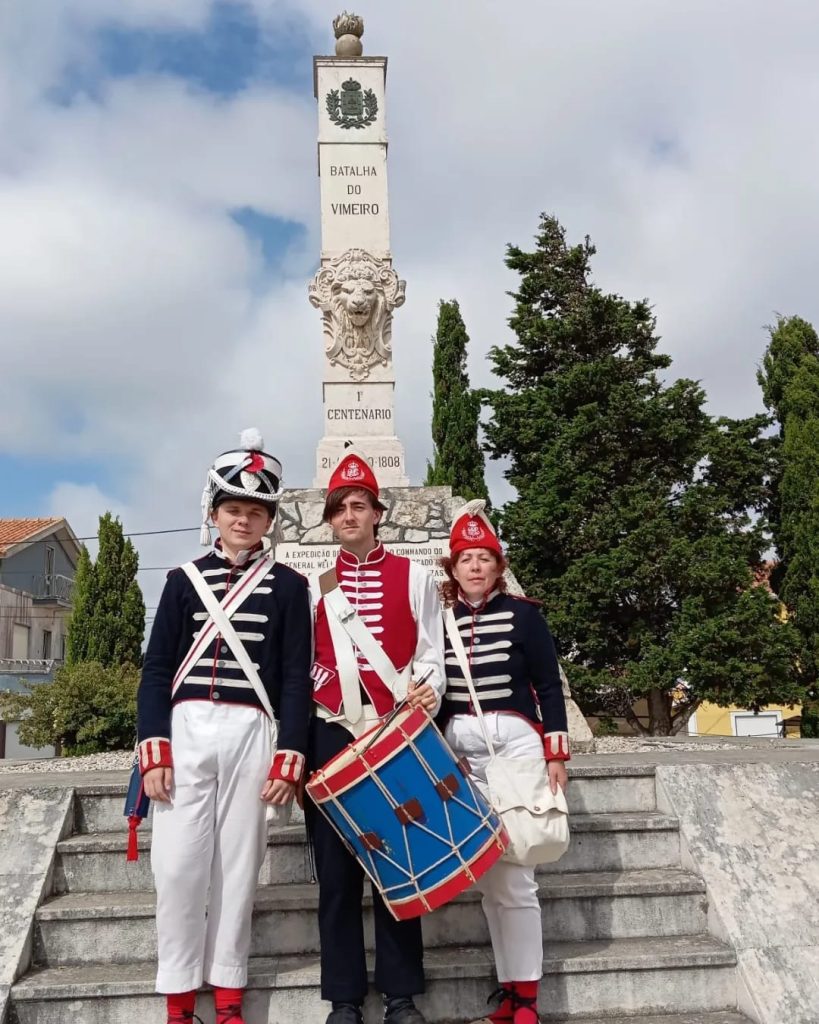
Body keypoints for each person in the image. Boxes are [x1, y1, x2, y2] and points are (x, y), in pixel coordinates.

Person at [137, 429, 312, 1024]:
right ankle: (180, 997)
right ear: (214, 513)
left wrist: (291, 753)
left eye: (255, 511)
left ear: (268, 520)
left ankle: (229, 993)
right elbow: (158, 666)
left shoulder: (289, 586)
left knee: (239, 867)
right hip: (186, 729)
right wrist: (154, 748)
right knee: (180, 868)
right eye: (233, 509)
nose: (243, 520)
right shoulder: (183, 579)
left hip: (251, 730)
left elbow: (294, 678)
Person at [306, 448, 446, 1024]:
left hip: (394, 736)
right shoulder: (313, 586)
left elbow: (432, 653)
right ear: (331, 519)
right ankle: (343, 997)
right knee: (336, 875)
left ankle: (400, 994)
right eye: (339, 509)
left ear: (377, 512)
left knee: (400, 864)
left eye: (358, 506)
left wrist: (427, 689)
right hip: (332, 734)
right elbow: (300, 661)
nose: (349, 516)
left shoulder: (415, 577)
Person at [437, 500, 570, 1024]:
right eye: (465, 558)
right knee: (491, 882)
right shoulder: (441, 620)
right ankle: (510, 993)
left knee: (516, 877)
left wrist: (556, 752)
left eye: (483, 558)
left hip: (515, 749)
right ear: (452, 567)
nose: (474, 566)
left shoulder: (523, 614)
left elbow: (547, 686)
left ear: (498, 566)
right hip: (461, 754)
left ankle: (527, 1002)